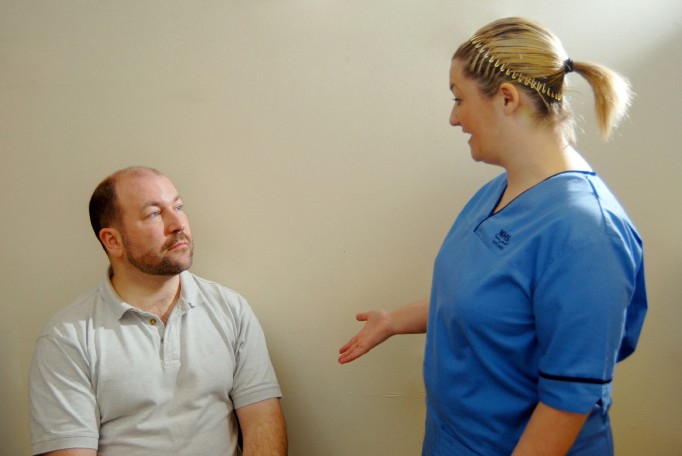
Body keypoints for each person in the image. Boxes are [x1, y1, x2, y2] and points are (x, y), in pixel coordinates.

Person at [338, 17, 647, 455]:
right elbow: (493, 305)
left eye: (458, 99)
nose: (453, 117)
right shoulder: (500, 191)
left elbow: (567, 404)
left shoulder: (585, 233)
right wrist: (393, 320)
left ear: (506, 98)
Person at [29, 166, 287, 456]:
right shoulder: (66, 338)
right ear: (112, 241)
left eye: (178, 206)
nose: (178, 224)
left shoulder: (231, 309)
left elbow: (262, 423)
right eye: (154, 213)